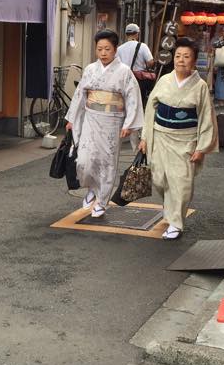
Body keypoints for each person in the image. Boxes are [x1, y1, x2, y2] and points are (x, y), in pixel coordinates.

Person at [140, 38, 216, 240]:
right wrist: (145, 137)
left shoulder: (199, 86)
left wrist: (201, 147)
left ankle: (176, 222)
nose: (181, 60)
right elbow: (150, 109)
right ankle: (170, 208)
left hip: (185, 140)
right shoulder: (164, 80)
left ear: (193, 61)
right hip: (161, 135)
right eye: (178, 56)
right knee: (159, 178)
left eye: (186, 56)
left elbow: (206, 117)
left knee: (181, 183)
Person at [66, 30, 144, 218]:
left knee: (107, 161)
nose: (103, 53)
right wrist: (72, 118)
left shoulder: (124, 72)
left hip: (112, 121)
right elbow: (80, 95)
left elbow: (133, 98)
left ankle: (102, 200)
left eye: (107, 49)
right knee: (84, 159)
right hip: (91, 119)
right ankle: (91, 188)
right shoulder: (91, 69)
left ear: (115, 49)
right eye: (99, 49)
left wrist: (129, 123)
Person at [116, 23, 155, 148]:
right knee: (138, 107)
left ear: (126, 34)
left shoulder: (120, 48)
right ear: (137, 34)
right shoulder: (142, 46)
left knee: (125, 105)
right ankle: (136, 134)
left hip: (123, 80)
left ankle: (123, 128)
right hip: (139, 81)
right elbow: (150, 62)